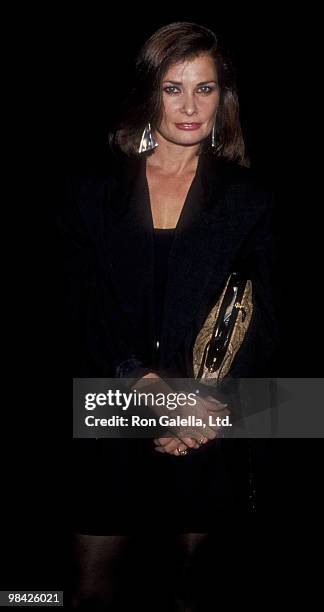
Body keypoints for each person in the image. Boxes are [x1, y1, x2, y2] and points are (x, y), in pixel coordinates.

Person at [58, 21, 278, 611]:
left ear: (222, 97)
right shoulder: (89, 191)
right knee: (88, 592)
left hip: (205, 425)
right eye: (172, 86)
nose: (189, 105)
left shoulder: (252, 200)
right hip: (106, 407)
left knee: (189, 593)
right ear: (147, 92)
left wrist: (199, 407)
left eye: (204, 89)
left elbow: (262, 319)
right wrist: (145, 390)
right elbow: (78, 305)